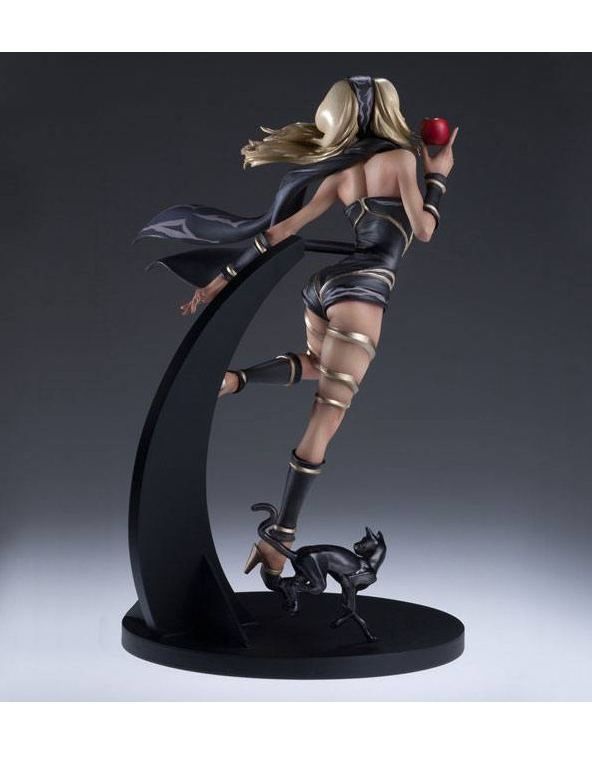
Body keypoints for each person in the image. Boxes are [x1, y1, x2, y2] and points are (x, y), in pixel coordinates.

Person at [137, 76, 458, 590]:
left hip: (324, 288)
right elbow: (423, 230)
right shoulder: (401, 161)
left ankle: (234, 380)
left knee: (317, 367)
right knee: (324, 422)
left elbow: (279, 232)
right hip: (363, 291)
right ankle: (279, 536)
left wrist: (221, 278)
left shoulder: (341, 174)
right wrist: (437, 176)